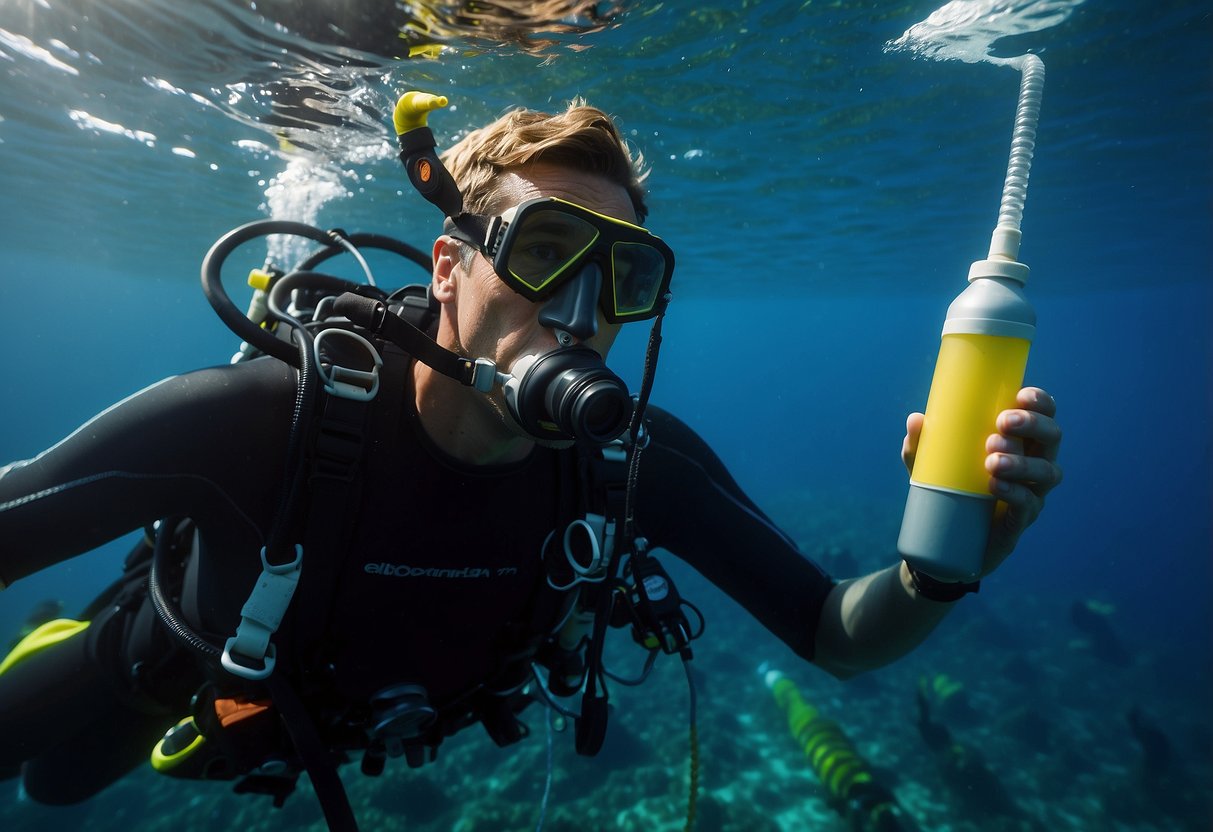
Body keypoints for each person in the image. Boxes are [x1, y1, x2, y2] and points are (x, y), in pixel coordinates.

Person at [0, 98, 1062, 822]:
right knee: (54, 780)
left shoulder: (623, 463)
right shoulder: (255, 420)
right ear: (452, 267)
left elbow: (833, 631)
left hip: (353, 720)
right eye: (547, 253)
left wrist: (941, 567)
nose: (586, 311)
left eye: (627, 274)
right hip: (163, 676)